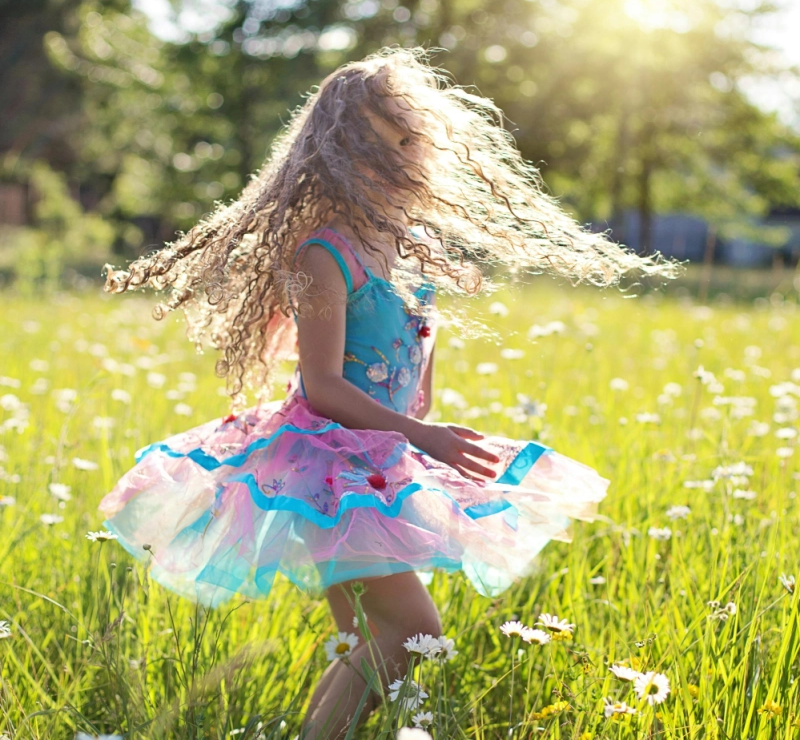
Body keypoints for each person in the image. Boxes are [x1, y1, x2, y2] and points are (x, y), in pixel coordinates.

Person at [98, 47, 677, 739]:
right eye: (382, 143)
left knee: (365, 642)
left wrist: (421, 407)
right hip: (329, 465)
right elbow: (323, 385)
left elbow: (414, 337)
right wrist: (420, 435)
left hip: (381, 456)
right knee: (412, 628)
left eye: (411, 139)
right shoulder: (324, 254)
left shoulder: (405, 245)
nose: (403, 156)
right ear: (341, 153)